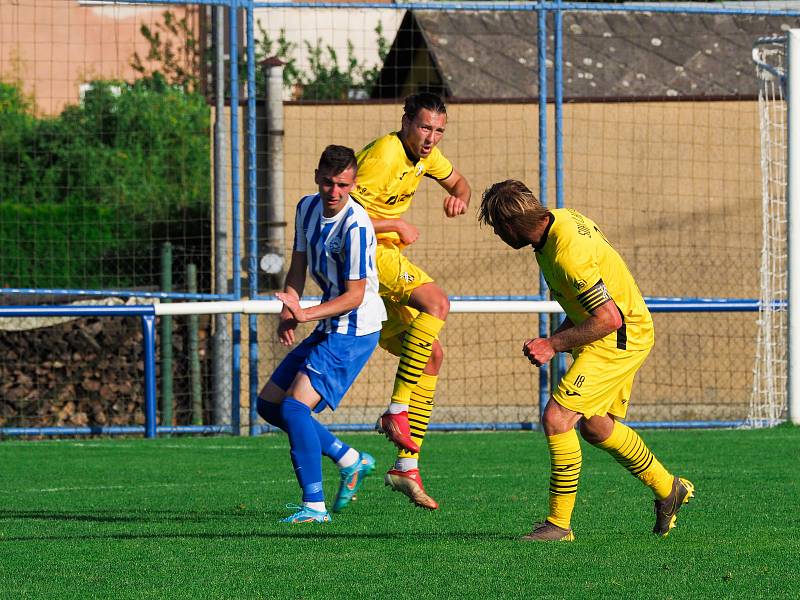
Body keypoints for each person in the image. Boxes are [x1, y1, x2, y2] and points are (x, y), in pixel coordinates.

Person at [478, 179, 694, 541]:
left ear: (511, 224)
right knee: (595, 427)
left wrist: (552, 344)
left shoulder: (567, 254)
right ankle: (669, 488)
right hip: (616, 328)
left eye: (497, 228)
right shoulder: (560, 221)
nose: (498, 235)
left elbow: (608, 317)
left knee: (557, 418)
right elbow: (588, 302)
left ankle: (558, 526)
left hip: (617, 335)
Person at [351, 92, 471, 510]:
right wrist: (395, 222)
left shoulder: (425, 156)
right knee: (437, 302)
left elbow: (459, 181)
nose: (431, 138)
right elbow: (341, 218)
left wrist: (459, 196)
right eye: (424, 127)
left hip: (385, 261)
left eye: (439, 130)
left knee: (432, 356)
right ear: (405, 121)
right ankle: (396, 410)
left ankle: (406, 465)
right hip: (364, 257)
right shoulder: (384, 155)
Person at [256, 145, 386, 523]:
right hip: (329, 322)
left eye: (343, 185)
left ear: (353, 183)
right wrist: (289, 309)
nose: (334, 192)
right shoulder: (305, 208)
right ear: (317, 177)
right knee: (269, 405)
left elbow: (355, 295)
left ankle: (314, 506)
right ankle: (349, 458)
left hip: (354, 329)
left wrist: (305, 313)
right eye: (328, 183)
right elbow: (297, 265)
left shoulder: (356, 226)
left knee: (295, 407)